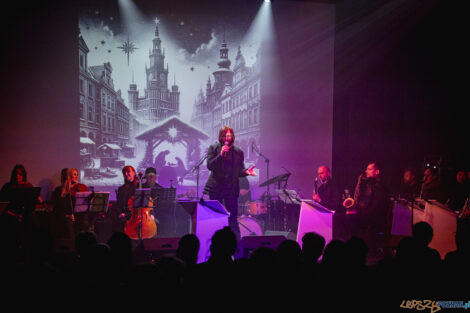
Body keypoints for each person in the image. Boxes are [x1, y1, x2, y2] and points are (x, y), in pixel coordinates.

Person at [203, 126, 257, 240]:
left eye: (228, 135)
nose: (226, 138)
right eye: (223, 135)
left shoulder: (238, 152)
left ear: (232, 136)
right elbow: (210, 165)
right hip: (216, 188)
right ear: (220, 136)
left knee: (232, 219)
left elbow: (239, 171)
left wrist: (246, 172)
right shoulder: (213, 148)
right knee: (215, 218)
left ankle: (236, 246)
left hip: (231, 189)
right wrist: (220, 155)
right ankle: (213, 244)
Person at [351, 162, 390, 252]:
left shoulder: (380, 186)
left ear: (377, 172)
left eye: (369, 169)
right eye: (366, 169)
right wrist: (359, 182)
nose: (366, 171)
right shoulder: (369, 183)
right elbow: (361, 198)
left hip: (374, 220)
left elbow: (376, 206)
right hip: (368, 216)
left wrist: (361, 212)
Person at [50, 168, 88, 239]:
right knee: (68, 222)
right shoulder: (59, 190)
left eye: (77, 175)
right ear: (68, 176)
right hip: (66, 217)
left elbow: (85, 203)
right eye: (74, 174)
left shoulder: (81, 187)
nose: (77, 176)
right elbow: (57, 208)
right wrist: (67, 216)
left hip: (80, 216)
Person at [111, 166, 138, 232]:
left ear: (134, 173)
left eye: (128, 171)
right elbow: (119, 204)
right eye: (124, 173)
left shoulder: (140, 187)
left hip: (138, 216)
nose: (126, 174)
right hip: (126, 216)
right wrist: (121, 213)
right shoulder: (121, 189)